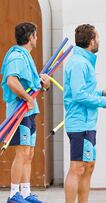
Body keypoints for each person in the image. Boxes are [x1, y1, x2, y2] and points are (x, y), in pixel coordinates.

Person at [64, 24, 106, 203]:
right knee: (78, 168)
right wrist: (102, 102)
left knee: (88, 167)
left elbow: (81, 91)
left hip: (87, 123)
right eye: (97, 38)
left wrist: (102, 92)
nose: (99, 41)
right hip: (80, 122)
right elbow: (79, 95)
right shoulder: (79, 63)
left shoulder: (84, 61)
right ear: (90, 41)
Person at [1, 22, 50, 203]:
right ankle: (14, 195)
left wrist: (43, 82)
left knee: (29, 153)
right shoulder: (17, 57)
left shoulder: (26, 57)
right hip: (19, 113)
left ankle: (25, 193)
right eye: (36, 35)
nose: (36, 38)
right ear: (30, 37)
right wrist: (28, 98)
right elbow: (12, 81)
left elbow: (32, 84)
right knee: (21, 153)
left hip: (29, 113)